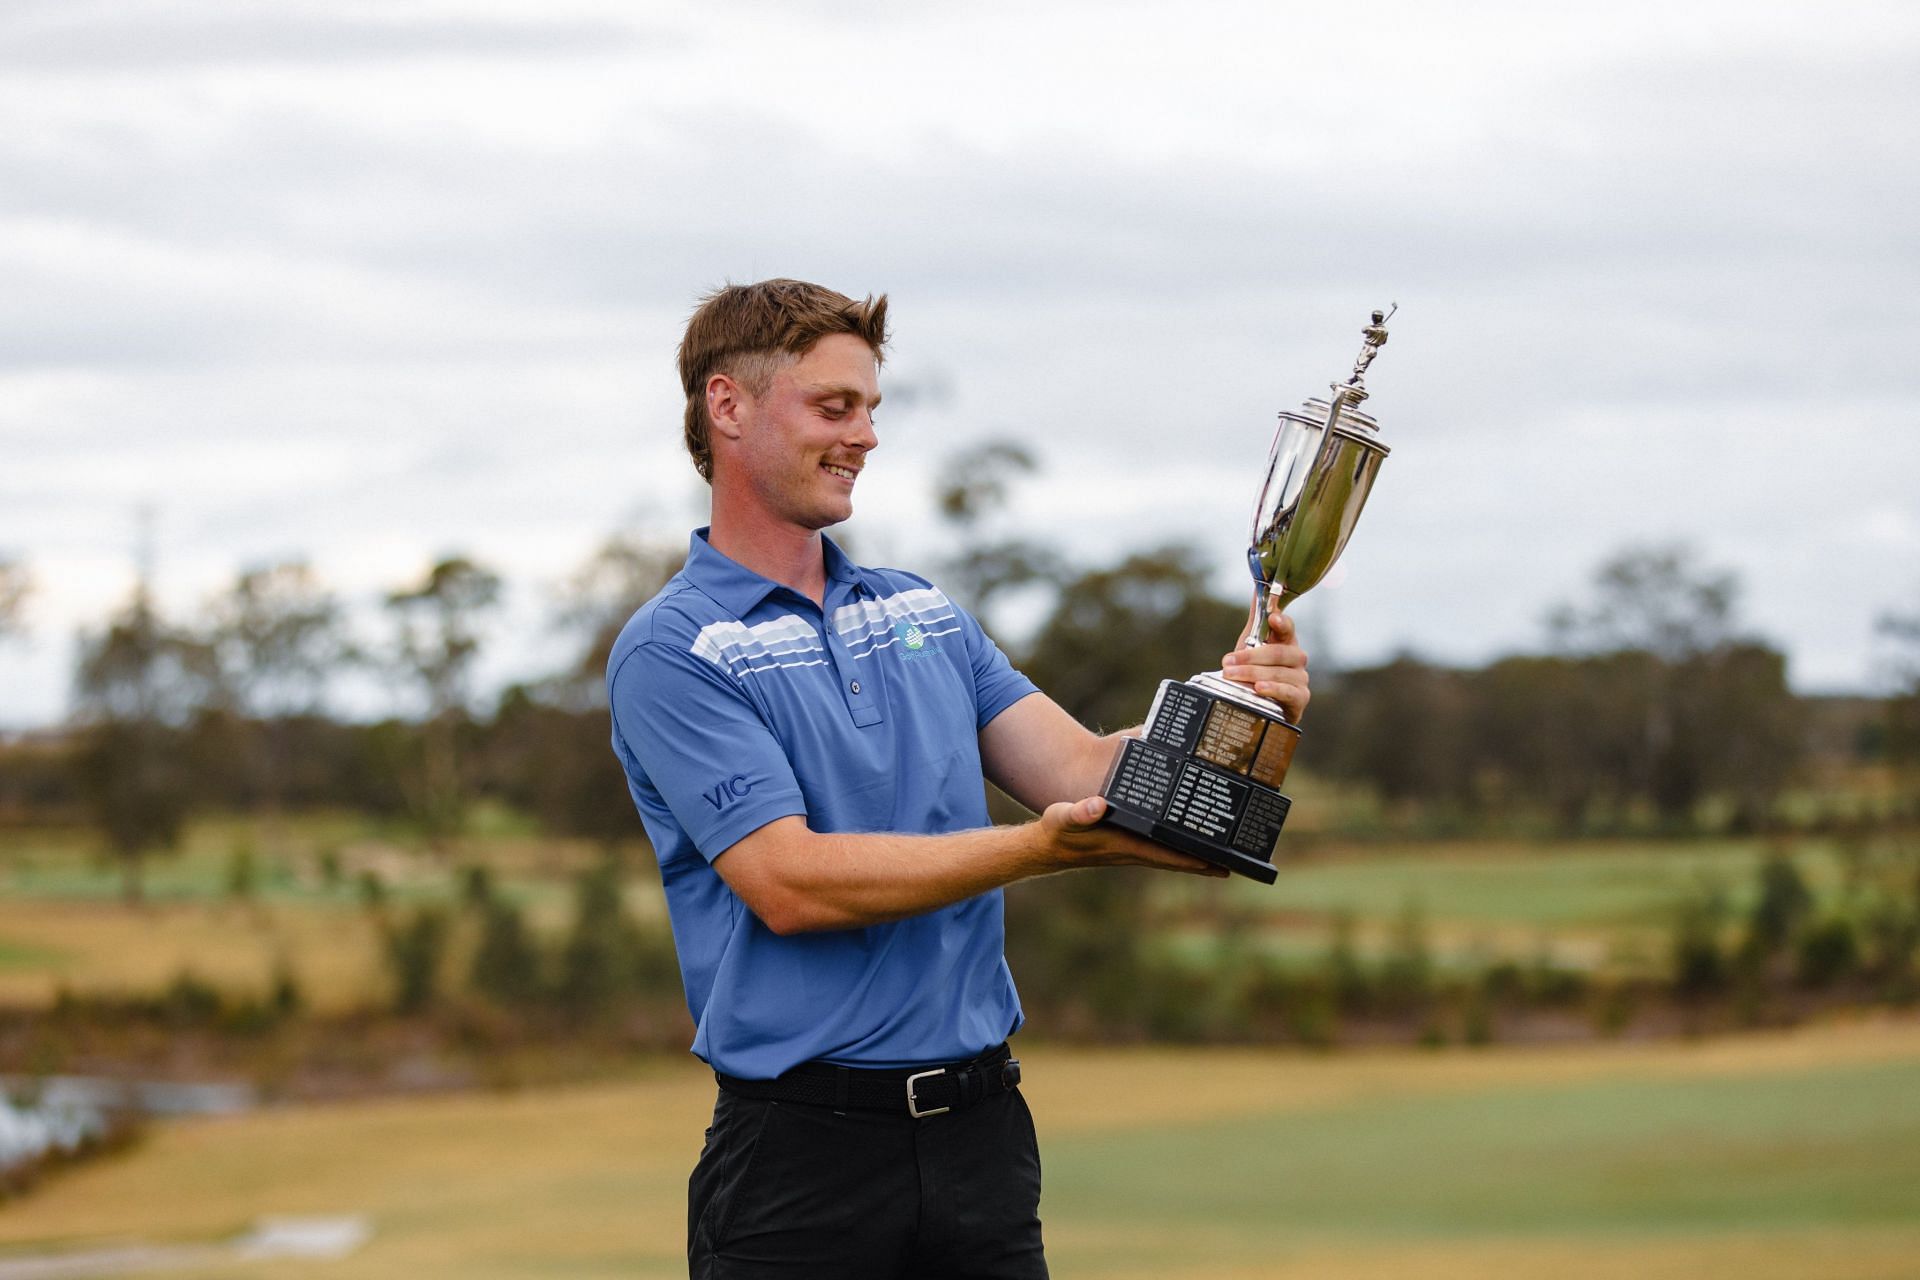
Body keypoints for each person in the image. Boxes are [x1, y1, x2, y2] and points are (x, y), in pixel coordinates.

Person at [606, 279, 1310, 1279]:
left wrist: (1249, 709)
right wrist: (1033, 848)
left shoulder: (922, 611)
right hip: (801, 1159)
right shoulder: (675, 647)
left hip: (982, 1142)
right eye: (835, 406)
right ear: (729, 407)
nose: (866, 436)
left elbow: (1085, 769)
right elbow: (788, 881)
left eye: (872, 409)